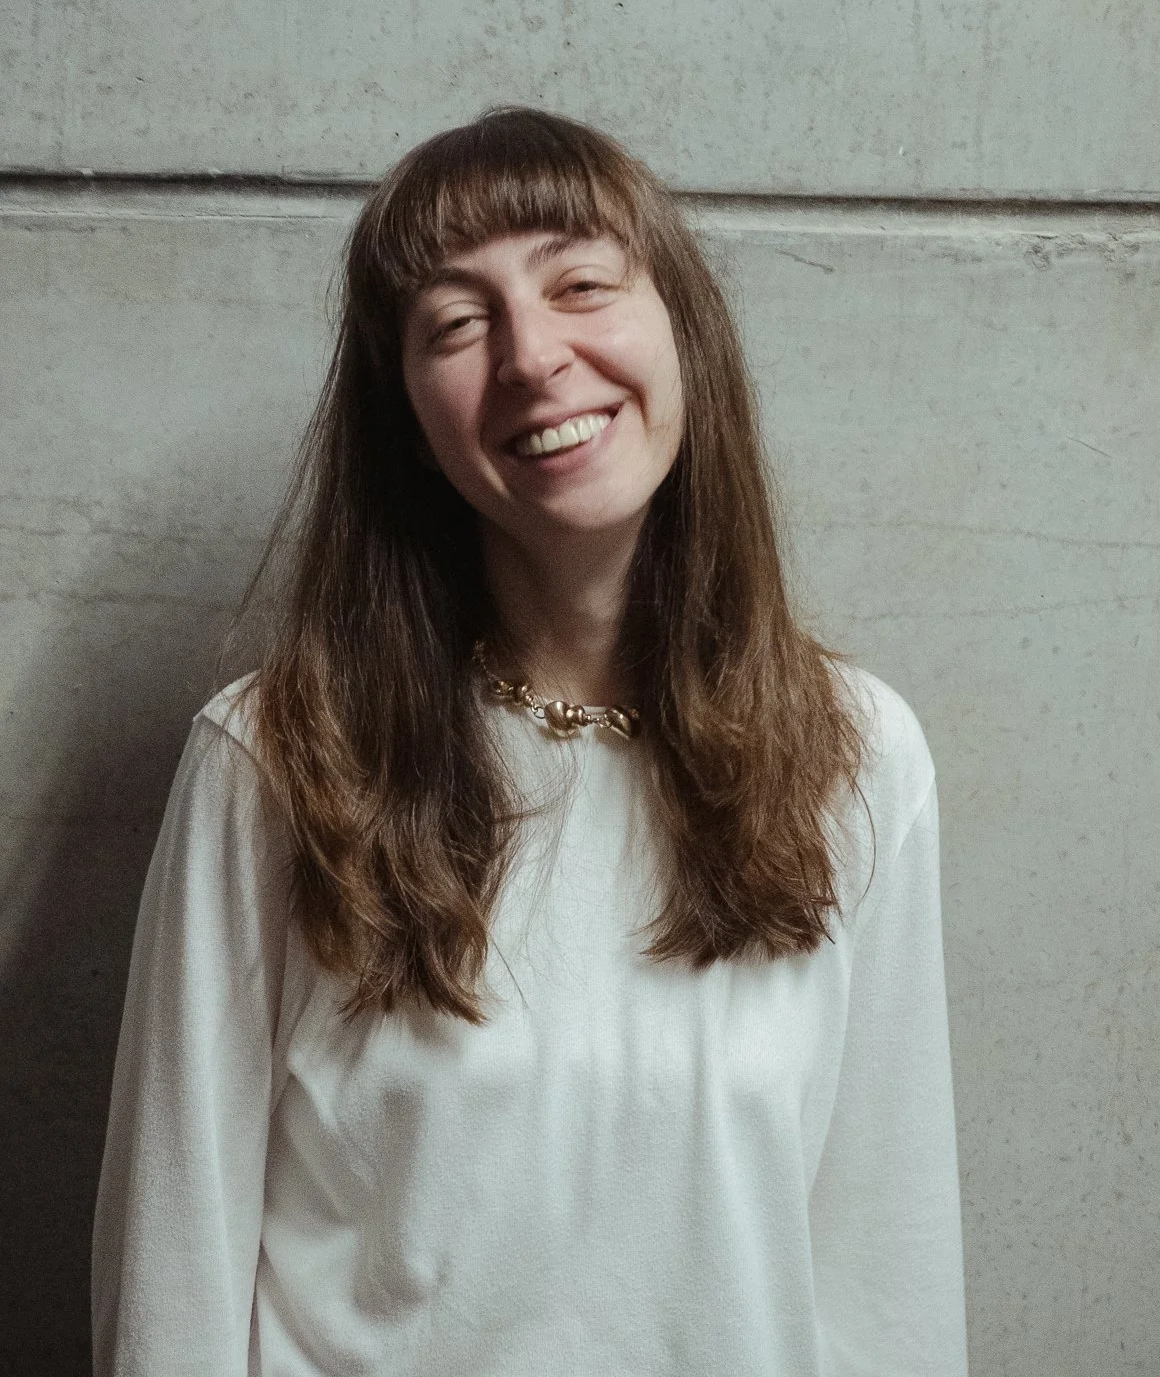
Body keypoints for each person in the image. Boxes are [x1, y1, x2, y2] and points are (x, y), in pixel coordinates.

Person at [92, 107, 968, 1375]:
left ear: (684, 330)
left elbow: (889, 1274)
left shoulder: (859, 754)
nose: (533, 356)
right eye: (457, 322)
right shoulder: (279, 758)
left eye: (582, 286)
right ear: (408, 417)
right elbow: (172, 1277)